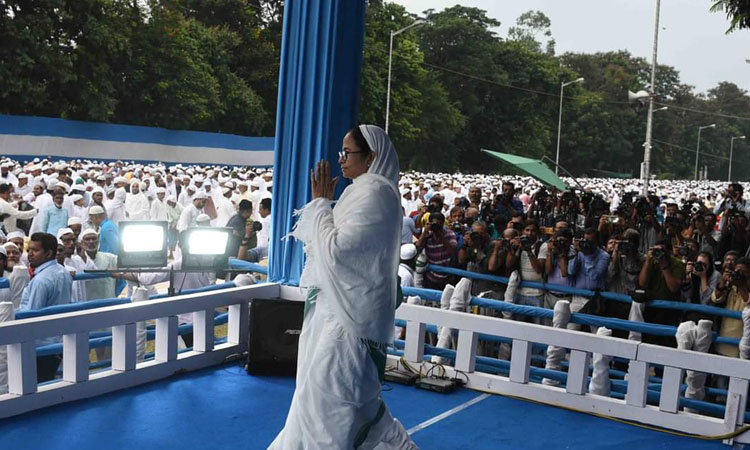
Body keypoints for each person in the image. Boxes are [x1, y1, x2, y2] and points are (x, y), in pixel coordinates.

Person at [270, 125, 416, 449]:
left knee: (328, 410)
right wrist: (324, 206)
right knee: (338, 406)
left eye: (347, 153)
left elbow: (337, 252)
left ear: (372, 157)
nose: (340, 160)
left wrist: (321, 204)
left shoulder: (375, 192)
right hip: (337, 318)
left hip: (347, 327)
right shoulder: (363, 191)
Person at [18, 232, 73, 382]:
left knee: (34, 384)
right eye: (29, 250)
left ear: (48, 253)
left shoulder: (41, 280)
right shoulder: (64, 272)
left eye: (35, 250)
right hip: (58, 340)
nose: (30, 254)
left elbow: (31, 316)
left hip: (41, 345)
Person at [711, 256, 750, 358]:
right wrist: (723, 281)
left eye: (743, 272)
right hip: (722, 341)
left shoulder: (742, 287)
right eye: (737, 271)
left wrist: (741, 286)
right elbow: (715, 298)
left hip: (741, 347)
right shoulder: (731, 286)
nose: (739, 274)